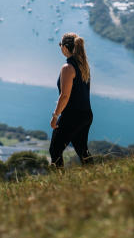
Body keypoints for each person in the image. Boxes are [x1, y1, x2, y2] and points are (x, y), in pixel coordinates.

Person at [49, 32, 92, 167]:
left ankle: (59, 183)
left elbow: (65, 96)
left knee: (55, 150)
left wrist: (55, 116)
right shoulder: (84, 65)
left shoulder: (67, 68)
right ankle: (95, 176)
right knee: (82, 150)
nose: (60, 47)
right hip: (86, 114)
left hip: (72, 115)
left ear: (65, 48)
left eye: (60, 45)